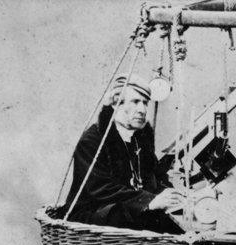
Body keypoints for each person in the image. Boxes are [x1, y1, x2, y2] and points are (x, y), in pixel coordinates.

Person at [63, 74, 183, 233]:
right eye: (135, 102)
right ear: (115, 103)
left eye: (145, 103)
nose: (142, 110)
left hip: (131, 210)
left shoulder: (139, 140)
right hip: (94, 216)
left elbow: (154, 178)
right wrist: (150, 201)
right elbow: (101, 189)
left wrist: (170, 196)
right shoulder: (93, 141)